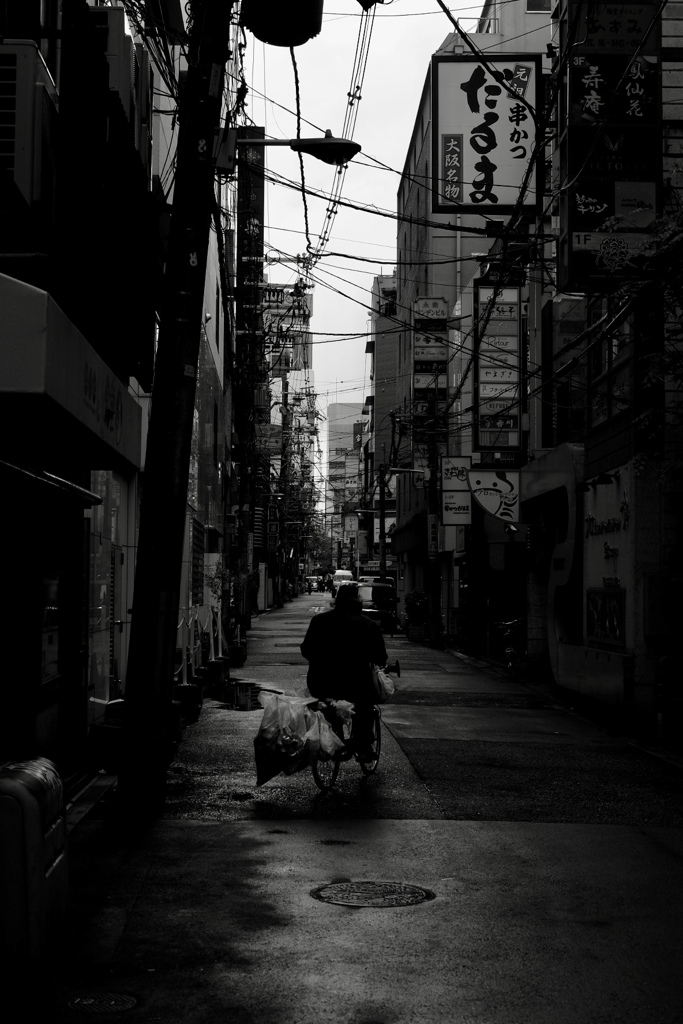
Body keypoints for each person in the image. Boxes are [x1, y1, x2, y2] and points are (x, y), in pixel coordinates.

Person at [300, 582, 387, 760]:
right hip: (356, 684)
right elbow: (380, 656)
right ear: (358, 601)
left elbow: (306, 650)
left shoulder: (319, 621)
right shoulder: (367, 625)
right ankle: (363, 747)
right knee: (365, 706)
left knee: (325, 705)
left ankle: (332, 738)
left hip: (321, 682)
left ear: (337, 600)